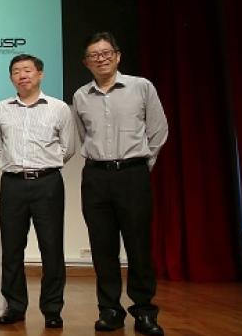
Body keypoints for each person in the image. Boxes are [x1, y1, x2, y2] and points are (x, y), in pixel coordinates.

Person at [73, 32, 168, 335]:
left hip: (132, 175)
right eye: (94, 55)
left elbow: (158, 130)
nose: (100, 59)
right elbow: (82, 135)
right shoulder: (80, 96)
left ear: (117, 55)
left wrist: (140, 165)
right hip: (96, 177)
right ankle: (110, 310)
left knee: (139, 246)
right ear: (86, 62)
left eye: (106, 53)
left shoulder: (141, 87)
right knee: (103, 248)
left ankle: (144, 312)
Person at [0, 54, 75, 328]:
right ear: (11, 78)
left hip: (48, 183)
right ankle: (15, 306)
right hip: (12, 183)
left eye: (27, 70)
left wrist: (46, 165)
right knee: (12, 248)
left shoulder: (59, 108)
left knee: (52, 247)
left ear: (40, 74)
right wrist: (14, 165)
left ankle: (52, 310)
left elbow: (68, 148)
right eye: (16, 71)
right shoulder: (0, 109)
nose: (22, 75)